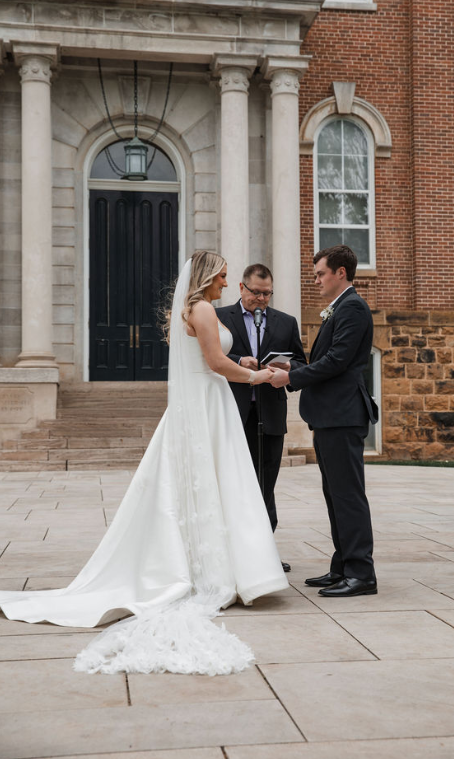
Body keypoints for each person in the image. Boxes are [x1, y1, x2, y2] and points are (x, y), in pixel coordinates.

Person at [0, 251, 289, 674]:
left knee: (211, 484)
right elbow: (213, 363)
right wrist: (261, 375)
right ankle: (214, 572)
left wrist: (242, 361)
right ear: (208, 277)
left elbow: (207, 357)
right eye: (224, 277)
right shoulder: (204, 307)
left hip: (206, 403)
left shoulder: (193, 309)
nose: (227, 284)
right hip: (208, 403)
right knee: (216, 484)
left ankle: (212, 563)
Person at [270, 245, 378, 598]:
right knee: (334, 494)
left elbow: (337, 361)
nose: (315, 279)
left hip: (343, 415)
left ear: (340, 273)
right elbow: (330, 362)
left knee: (348, 496)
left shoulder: (353, 308)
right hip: (330, 415)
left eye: (320, 273)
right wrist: (293, 366)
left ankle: (361, 573)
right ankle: (343, 566)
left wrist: (291, 379)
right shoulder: (341, 308)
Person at [216, 264, 307, 572]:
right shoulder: (219, 318)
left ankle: (264, 554)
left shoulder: (286, 322)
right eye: (256, 293)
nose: (262, 299)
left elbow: (300, 363)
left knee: (266, 484)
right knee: (234, 483)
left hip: (270, 412)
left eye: (267, 293)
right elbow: (208, 355)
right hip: (232, 411)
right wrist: (238, 360)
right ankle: (234, 551)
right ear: (241, 288)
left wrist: (284, 370)